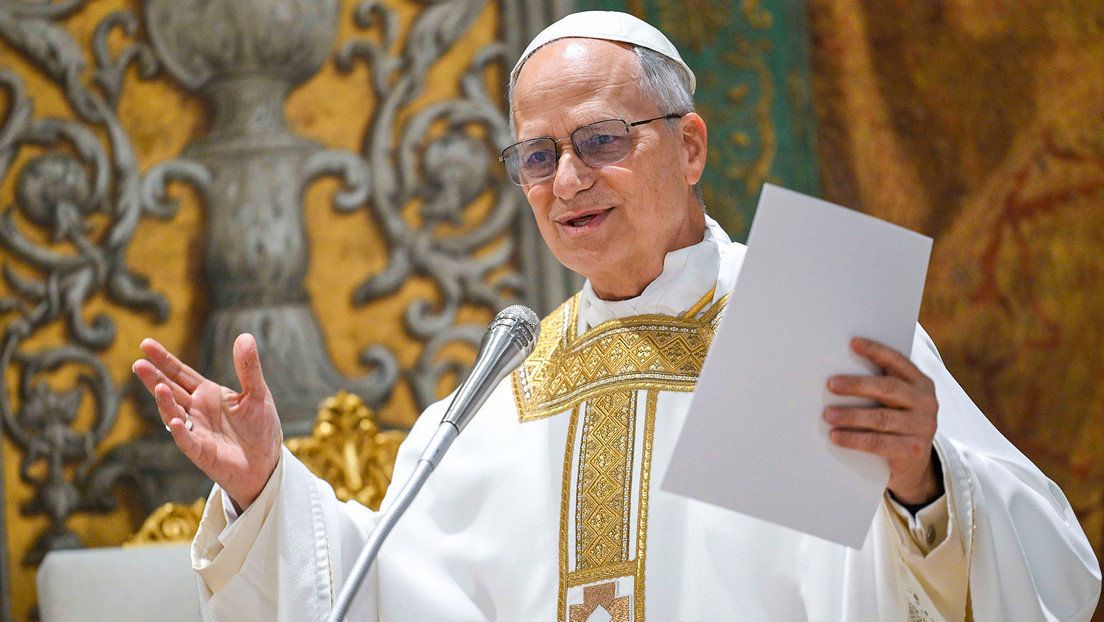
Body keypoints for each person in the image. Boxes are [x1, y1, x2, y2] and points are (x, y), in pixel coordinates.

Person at [133, 11, 1100, 621]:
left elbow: (1047, 567)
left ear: (689, 145)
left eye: (600, 139)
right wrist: (266, 489)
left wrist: (920, 484)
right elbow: (385, 596)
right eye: (538, 156)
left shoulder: (815, 324)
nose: (569, 181)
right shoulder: (501, 393)